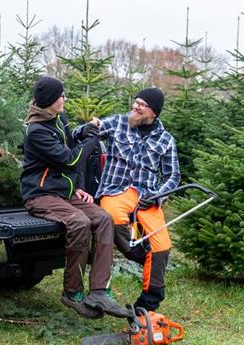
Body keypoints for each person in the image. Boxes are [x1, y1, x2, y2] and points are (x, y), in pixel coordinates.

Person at [21, 76, 133, 319]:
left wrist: (84, 131)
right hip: (41, 195)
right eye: (61, 95)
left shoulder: (57, 119)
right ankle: (72, 292)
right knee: (79, 222)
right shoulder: (36, 130)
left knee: (104, 219)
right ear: (50, 100)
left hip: (65, 193)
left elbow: (70, 141)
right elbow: (70, 158)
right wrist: (94, 139)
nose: (65, 98)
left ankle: (99, 291)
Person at [89, 87, 181, 312]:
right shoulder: (119, 122)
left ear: (154, 112)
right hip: (116, 190)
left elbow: (173, 175)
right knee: (113, 218)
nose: (136, 106)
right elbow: (89, 131)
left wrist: (158, 195)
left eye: (142, 104)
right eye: (136, 101)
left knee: (162, 246)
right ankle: (135, 253)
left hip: (147, 196)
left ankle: (148, 303)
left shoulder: (166, 140)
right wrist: (92, 126)